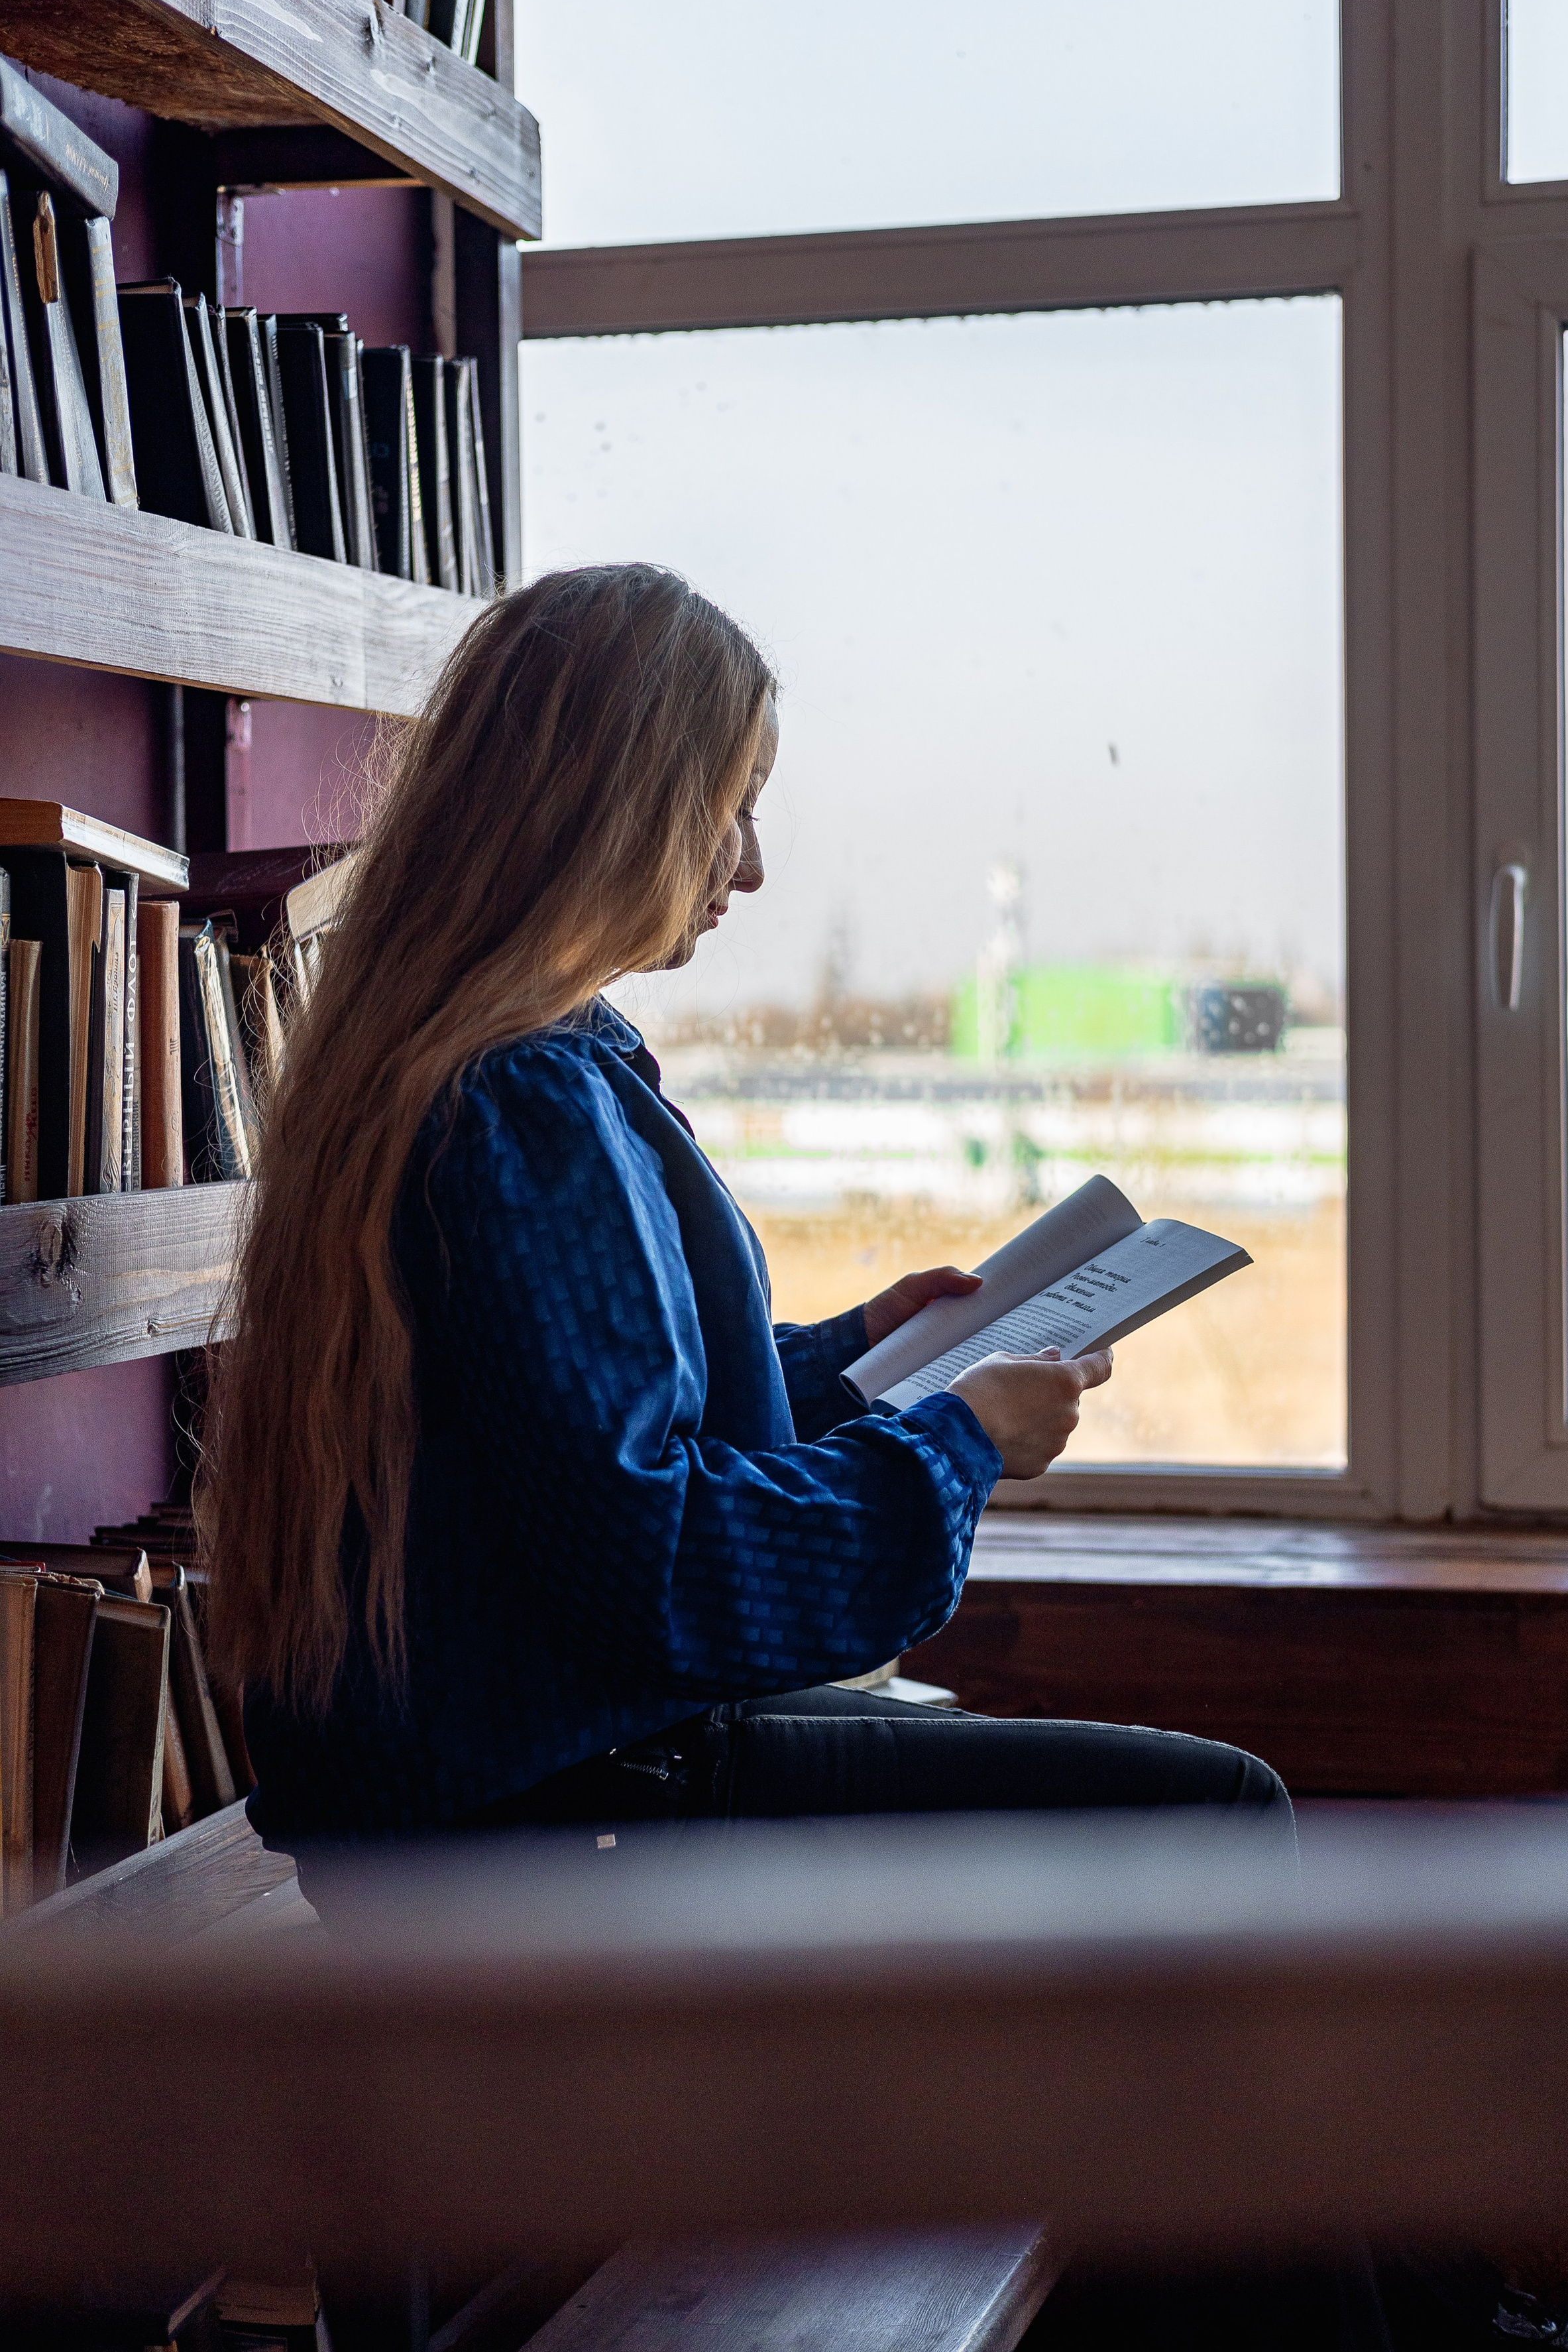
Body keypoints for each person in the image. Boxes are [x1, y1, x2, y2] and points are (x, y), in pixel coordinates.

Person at [201, 563, 1290, 1857]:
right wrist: (962, 1441)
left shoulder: (447, 1070)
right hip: (575, 1813)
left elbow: (560, 1435)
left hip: (514, 1795)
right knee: (1220, 1813)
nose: (755, 866)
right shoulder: (527, 1103)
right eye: (737, 808)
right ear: (627, 812)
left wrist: (858, 1358)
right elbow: (647, 1561)